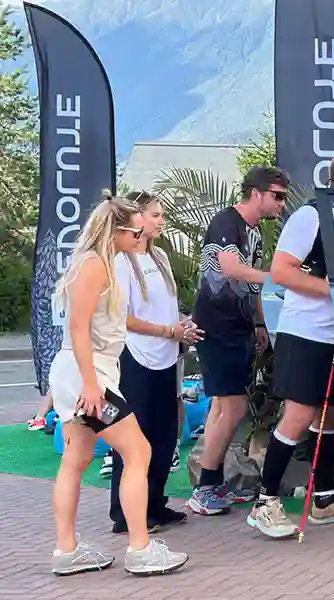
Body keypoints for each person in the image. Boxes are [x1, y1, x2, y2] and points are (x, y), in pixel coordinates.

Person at [48, 192, 188, 576]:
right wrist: (91, 386)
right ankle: (140, 548)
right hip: (89, 378)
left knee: (75, 460)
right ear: (118, 231)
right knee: (138, 451)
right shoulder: (95, 265)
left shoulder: (102, 263)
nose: (141, 238)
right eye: (136, 232)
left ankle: (67, 550)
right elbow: (77, 328)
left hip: (86, 374)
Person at [247, 152, 334, 537]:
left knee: (330, 415)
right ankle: (265, 503)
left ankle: (324, 499)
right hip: (305, 332)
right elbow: (281, 271)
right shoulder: (310, 216)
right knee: (299, 415)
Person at [187, 166, 288, 516]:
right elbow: (231, 268)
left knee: (222, 407)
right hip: (217, 326)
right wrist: (278, 277)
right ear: (255, 193)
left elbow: (251, 283)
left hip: (240, 326)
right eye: (276, 196)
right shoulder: (227, 222)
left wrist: (259, 321)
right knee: (233, 408)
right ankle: (205, 488)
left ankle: (211, 484)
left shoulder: (254, 231)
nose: (281, 203)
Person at [108, 191, 204, 534]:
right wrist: (166, 330)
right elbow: (123, 318)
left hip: (167, 356)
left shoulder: (160, 256)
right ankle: (125, 513)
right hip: (136, 356)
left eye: (162, 215)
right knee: (136, 436)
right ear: (136, 219)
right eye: (155, 215)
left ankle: (154, 503)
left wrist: (182, 325)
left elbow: (164, 307)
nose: (162, 221)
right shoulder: (120, 261)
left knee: (165, 435)